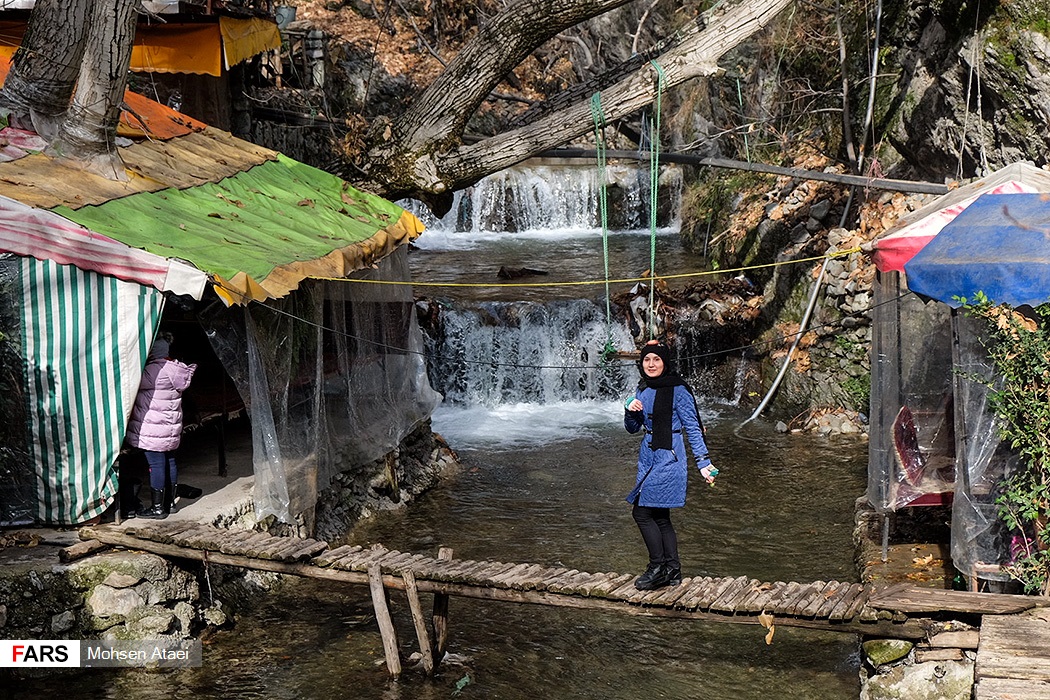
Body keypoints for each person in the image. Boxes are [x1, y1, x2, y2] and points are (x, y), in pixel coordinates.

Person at [624, 340, 717, 590]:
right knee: (660, 516)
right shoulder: (642, 388)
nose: (651, 364)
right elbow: (632, 429)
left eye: (656, 359)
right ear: (641, 363)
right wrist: (629, 411)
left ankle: (657, 568)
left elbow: (694, 427)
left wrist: (703, 463)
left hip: (670, 456)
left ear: (665, 362)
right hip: (648, 455)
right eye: (647, 360)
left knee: (641, 513)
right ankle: (672, 570)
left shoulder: (678, 389)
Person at [125, 334, 197, 520]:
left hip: (154, 429)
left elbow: (128, 383)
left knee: (156, 464)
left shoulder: (152, 372)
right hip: (170, 428)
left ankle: (157, 508)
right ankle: (169, 504)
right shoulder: (176, 369)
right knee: (170, 461)